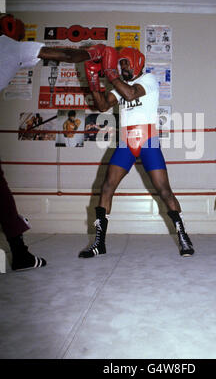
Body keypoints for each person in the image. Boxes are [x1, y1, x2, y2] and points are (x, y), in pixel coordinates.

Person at [78, 44, 194, 258]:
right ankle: (99, 243)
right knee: (106, 187)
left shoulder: (147, 80)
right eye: (120, 65)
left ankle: (184, 237)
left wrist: (111, 75)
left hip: (148, 139)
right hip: (126, 141)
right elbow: (102, 106)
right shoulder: (119, 86)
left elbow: (131, 94)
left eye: (125, 64)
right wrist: (93, 83)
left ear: (136, 63)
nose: (122, 68)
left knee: (164, 190)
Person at [0, 13, 91, 270]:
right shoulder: (12, 46)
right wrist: (93, 52)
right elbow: (68, 55)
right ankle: (20, 254)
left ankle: (21, 254)